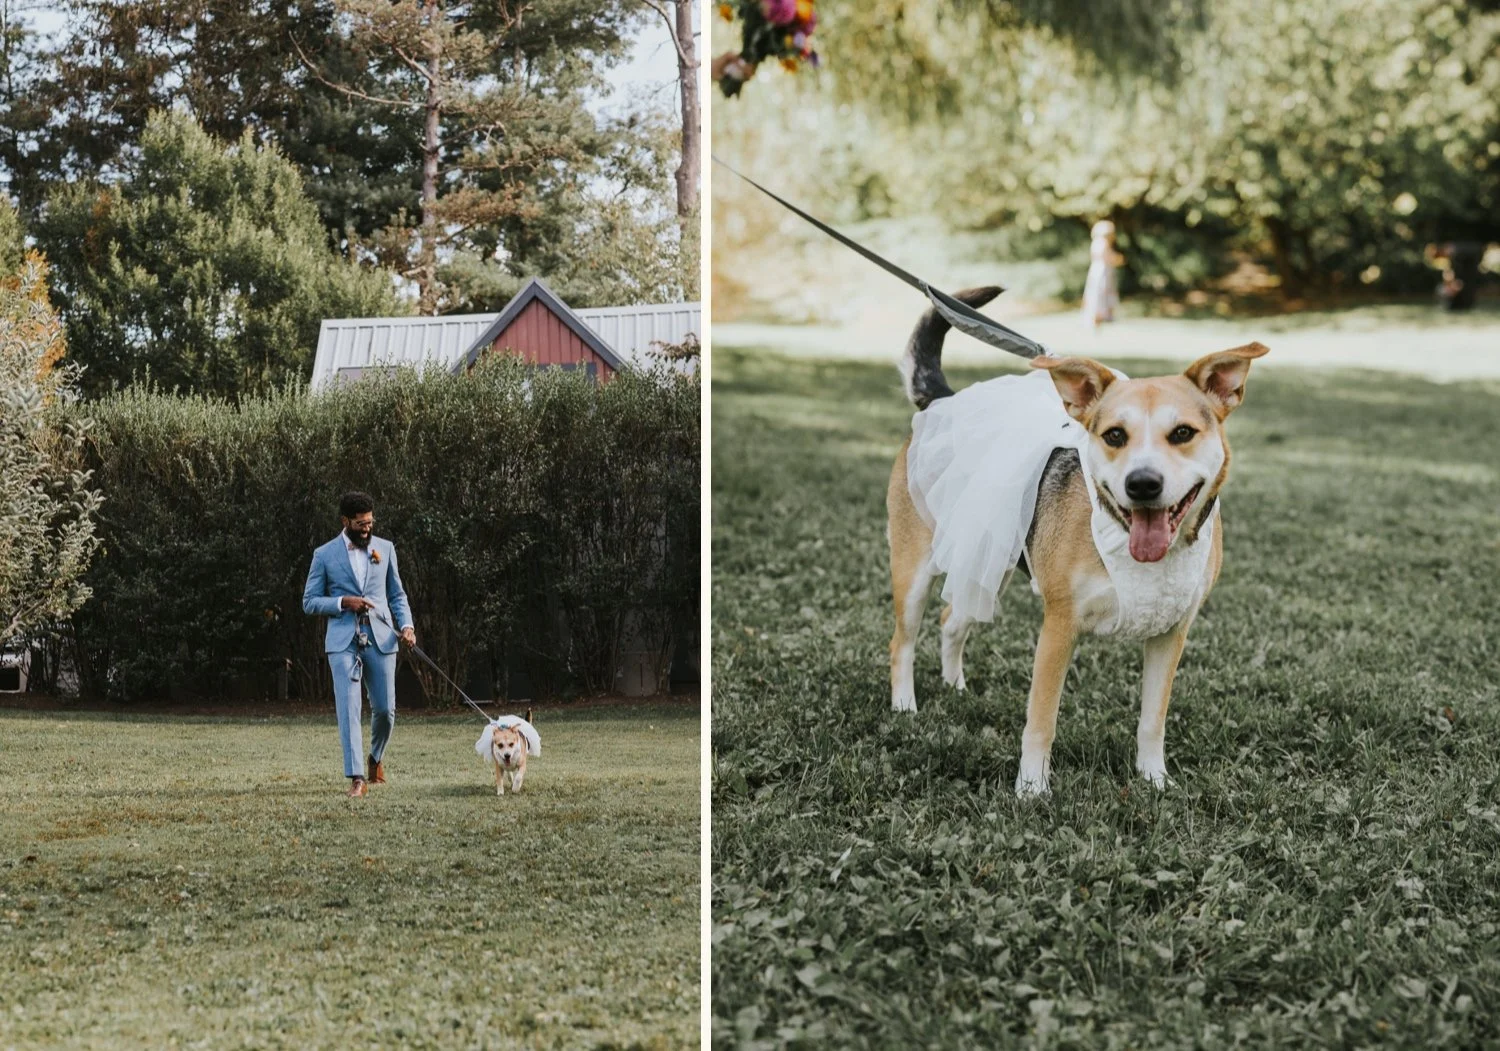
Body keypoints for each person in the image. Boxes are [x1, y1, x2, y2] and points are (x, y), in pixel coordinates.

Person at [301, 491, 416, 797]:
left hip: (381, 638)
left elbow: (397, 595)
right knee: (349, 709)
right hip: (342, 641)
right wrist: (343, 602)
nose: (366, 528)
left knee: (385, 710)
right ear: (345, 521)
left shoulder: (386, 549)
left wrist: (406, 626)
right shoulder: (323, 555)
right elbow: (309, 602)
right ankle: (357, 778)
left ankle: (376, 757)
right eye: (360, 524)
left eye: (369, 522)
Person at [1082, 219, 1124, 328]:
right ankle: (1099, 318)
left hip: (1100, 271)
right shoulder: (1102, 243)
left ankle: (1102, 317)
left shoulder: (1096, 242)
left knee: (1100, 295)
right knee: (1100, 295)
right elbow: (1108, 258)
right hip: (1102, 272)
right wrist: (1119, 259)